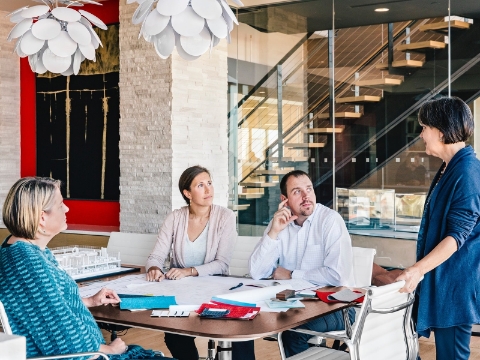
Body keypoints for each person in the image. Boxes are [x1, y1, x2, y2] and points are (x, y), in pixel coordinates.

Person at [0, 177, 174, 360]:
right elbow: (67, 344)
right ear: (42, 217)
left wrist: (89, 300)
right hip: (94, 356)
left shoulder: (18, 251)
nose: (67, 208)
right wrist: (109, 350)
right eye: (61, 205)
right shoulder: (28, 265)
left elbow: (44, 308)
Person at [396, 97, 480, 360]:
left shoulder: (466, 171)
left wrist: (416, 270)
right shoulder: (450, 167)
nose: (421, 134)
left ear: (441, 131)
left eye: (424, 127)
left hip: (455, 287)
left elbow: (456, 237)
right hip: (446, 283)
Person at [145, 165, 255, 360]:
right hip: (182, 293)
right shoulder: (175, 217)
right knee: (174, 335)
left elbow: (221, 264)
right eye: (200, 185)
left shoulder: (225, 217)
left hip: (217, 292)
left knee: (240, 332)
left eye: (209, 183)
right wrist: (154, 268)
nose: (208, 190)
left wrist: (189, 271)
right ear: (187, 193)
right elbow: (156, 257)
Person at [248, 170, 356, 357]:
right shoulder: (280, 222)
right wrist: (273, 232)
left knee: (292, 332)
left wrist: (291, 274)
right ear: (285, 199)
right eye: (297, 191)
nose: (306, 196)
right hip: (294, 304)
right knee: (247, 319)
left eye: (309, 189)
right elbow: (256, 272)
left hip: (339, 307)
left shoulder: (329, 220)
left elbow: (338, 276)